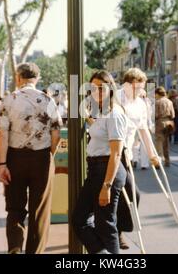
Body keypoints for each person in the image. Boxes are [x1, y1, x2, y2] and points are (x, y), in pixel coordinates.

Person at [0, 62, 62, 254]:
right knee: (39, 211)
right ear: (37, 79)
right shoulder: (48, 100)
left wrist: (2, 164)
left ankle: (15, 248)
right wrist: (50, 154)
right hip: (41, 158)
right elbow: (56, 134)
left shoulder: (9, 100)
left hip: (14, 157)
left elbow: (3, 135)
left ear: (18, 78)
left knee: (15, 208)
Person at [72, 70, 128, 254]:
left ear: (111, 89)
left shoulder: (115, 114)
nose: (97, 92)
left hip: (106, 170)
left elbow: (116, 154)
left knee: (105, 224)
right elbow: (99, 130)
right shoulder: (103, 112)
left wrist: (107, 186)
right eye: (93, 88)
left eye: (102, 88)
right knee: (81, 219)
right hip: (96, 169)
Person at [116, 68, 160, 249]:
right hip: (110, 152)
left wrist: (152, 154)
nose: (139, 91)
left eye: (141, 88)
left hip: (126, 154)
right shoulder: (114, 98)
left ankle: (119, 229)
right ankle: (115, 234)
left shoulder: (141, 104)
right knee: (119, 194)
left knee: (133, 195)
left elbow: (143, 131)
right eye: (135, 88)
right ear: (126, 84)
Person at [155, 87, 176, 165]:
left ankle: (159, 161)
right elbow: (173, 115)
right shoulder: (169, 102)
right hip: (168, 122)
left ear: (157, 94)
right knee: (166, 142)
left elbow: (155, 115)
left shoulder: (157, 102)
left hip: (159, 122)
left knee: (159, 142)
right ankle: (167, 160)